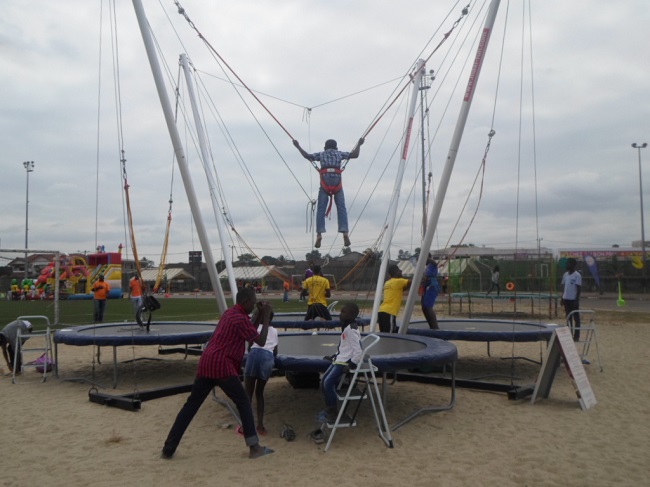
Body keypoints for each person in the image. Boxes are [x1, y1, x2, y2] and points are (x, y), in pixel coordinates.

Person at [161, 287, 274, 460]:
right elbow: (261, 340)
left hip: (207, 362)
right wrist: (266, 317)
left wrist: (258, 314)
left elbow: (249, 331)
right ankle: (254, 447)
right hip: (222, 365)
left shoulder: (230, 314)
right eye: (252, 302)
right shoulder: (239, 318)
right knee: (243, 401)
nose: (253, 305)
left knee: (191, 406)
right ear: (245, 302)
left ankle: (168, 448)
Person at [293, 137, 365, 248]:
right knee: (341, 208)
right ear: (336, 148)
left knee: (321, 209)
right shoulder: (339, 154)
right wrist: (359, 144)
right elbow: (355, 155)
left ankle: (319, 234)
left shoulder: (321, 154)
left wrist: (298, 146)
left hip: (325, 184)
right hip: (337, 184)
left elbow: (307, 156)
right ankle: (345, 233)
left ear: (324, 148)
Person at [318, 302, 363, 423]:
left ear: (352, 315)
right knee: (324, 381)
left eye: (343, 312)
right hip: (339, 359)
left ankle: (333, 410)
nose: (340, 314)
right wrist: (335, 356)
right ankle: (329, 407)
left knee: (328, 382)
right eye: (341, 311)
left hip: (344, 362)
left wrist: (351, 365)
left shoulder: (352, 330)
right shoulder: (346, 327)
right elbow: (344, 346)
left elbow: (358, 351)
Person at [242, 312, 278, 436]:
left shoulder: (256, 328)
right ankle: (260, 426)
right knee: (259, 393)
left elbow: (249, 346)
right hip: (267, 358)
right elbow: (275, 351)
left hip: (254, 355)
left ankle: (246, 425)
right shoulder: (274, 331)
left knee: (248, 394)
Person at [377, 265, 410, 333]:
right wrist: (423, 279)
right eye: (399, 270)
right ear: (396, 272)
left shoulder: (387, 282)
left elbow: (401, 289)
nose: (401, 271)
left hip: (381, 311)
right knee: (390, 334)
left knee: (384, 333)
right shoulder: (398, 281)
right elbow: (411, 282)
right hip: (389, 312)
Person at [561, 258, 582, 341]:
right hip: (566, 299)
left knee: (576, 318)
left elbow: (578, 289)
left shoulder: (577, 275)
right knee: (568, 318)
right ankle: (569, 335)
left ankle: (576, 336)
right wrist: (562, 298)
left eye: (568, 263)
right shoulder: (565, 275)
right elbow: (564, 287)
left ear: (573, 265)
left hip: (573, 300)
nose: (566, 265)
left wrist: (576, 300)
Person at [421, 255, 440, 330]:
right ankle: (431, 326)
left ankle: (435, 327)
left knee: (428, 306)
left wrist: (425, 257)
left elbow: (435, 263)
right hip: (426, 286)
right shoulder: (427, 267)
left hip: (431, 286)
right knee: (424, 307)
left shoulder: (432, 264)